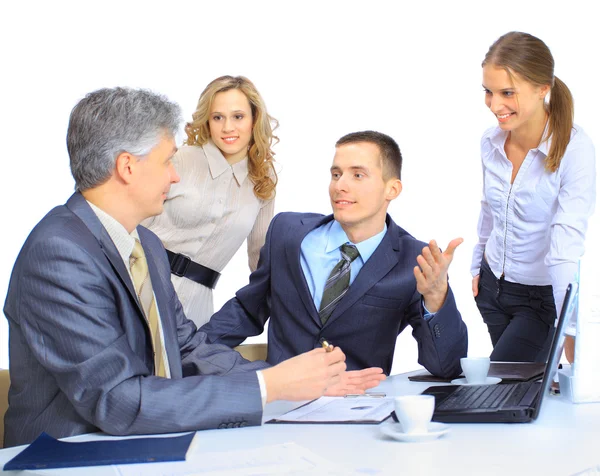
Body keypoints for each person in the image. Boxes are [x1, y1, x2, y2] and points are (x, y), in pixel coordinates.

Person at [2, 88, 384, 448]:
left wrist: (301, 380)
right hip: (68, 454)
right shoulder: (58, 254)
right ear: (127, 167)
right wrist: (271, 385)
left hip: (144, 442)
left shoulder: (146, 244)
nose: (175, 175)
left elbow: (187, 346)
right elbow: (117, 401)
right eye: (168, 160)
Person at [201, 131, 468, 377]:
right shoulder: (287, 233)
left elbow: (447, 367)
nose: (340, 186)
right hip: (281, 402)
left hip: (359, 408)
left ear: (392, 189)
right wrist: (185, 354)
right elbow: (248, 310)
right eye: (336, 174)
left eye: (358, 175)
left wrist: (436, 298)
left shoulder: (414, 260)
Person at [471, 31, 596, 362]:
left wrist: (569, 327)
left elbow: (566, 244)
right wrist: (476, 265)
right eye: (489, 91)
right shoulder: (491, 142)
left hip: (540, 300)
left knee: (507, 388)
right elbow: (489, 209)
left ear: (543, 88)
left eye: (507, 93)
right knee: (519, 395)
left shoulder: (574, 150)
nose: (495, 105)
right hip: (491, 290)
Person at [143, 75, 278, 327]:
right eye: (218, 117)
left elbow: (259, 259)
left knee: (179, 367)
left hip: (197, 309)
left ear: (254, 119)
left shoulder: (263, 181)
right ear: (207, 120)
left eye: (238, 116)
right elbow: (132, 225)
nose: (228, 127)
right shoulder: (180, 160)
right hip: (140, 286)